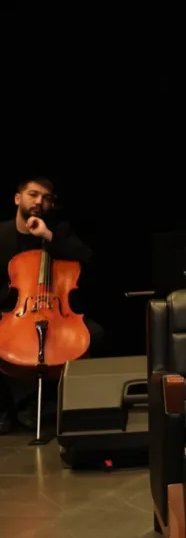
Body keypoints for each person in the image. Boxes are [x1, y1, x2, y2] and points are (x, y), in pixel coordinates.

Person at [0, 177, 103, 435]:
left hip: (56, 312)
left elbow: (88, 258)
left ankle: (73, 408)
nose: (39, 201)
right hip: (15, 312)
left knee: (95, 334)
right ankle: (14, 408)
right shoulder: (2, 234)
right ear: (17, 198)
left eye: (46, 198)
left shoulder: (59, 231)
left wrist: (48, 235)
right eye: (33, 194)